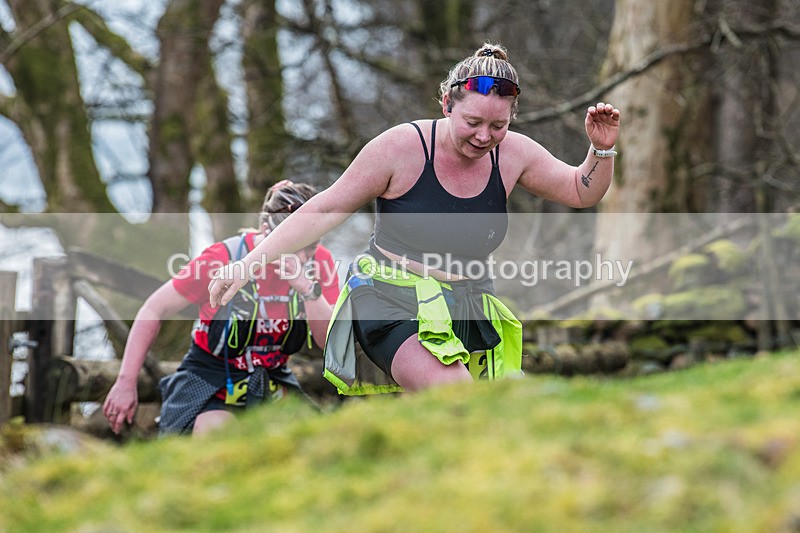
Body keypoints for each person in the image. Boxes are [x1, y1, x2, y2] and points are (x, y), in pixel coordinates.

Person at [208, 43, 621, 394]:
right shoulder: (400, 149)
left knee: (472, 420)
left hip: (467, 304)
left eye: (498, 125)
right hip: (390, 300)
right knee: (459, 396)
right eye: (472, 122)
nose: (484, 136)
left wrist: (600, 150)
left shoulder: (513, 153)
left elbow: (580, 191)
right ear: (446, 105)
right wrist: (248, 264)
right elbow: (326, 208)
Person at [103, 181, 339, 436]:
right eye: (294, 244)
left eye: (311, 246)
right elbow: (153, 309)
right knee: (218, 436)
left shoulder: (319, 263)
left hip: (272, 379)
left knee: (317, 442)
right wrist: (126, 383)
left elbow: (329, 342)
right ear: (266, 231)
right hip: (210, 379)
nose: (303, 257)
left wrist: (307, 289)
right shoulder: (220, 259)